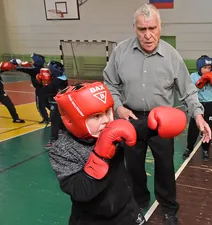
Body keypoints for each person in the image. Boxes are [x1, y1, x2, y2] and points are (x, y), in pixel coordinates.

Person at [102, 3, 212, 225]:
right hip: (130, 118)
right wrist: (119, 107)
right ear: (134, 28)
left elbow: (188, 92)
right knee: (133, 168)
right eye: (142, 30)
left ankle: (169, 208)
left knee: (164, 167)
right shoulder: (121, 52)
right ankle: (139, 203)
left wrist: (198, 116)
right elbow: (109, 83)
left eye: (152, 28)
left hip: (163, 121)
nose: (148, 35)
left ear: (161, 26)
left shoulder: (172, 56)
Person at [48, 82, 146, 225]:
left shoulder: (113, 127)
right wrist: (101, 155)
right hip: (92, 219)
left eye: (107, 112)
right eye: (96, 116)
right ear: (72, 119)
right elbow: (81, 191)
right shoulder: (63, 150)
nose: (106, 120)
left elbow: (139, 128)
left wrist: (155, 124)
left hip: (127, 209)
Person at [1, 53, 50, 124]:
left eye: (32, 60)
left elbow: (25, 69)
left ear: (36, 61)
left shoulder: (34, 69)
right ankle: (56, 115)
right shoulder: (41, 68)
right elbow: (30, 68)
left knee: (40, 105)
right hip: (46, 89)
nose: (31, 61)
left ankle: (46, 119)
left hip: (40, 89)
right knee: (46, 103)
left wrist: (14, 66)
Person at [43, 60, 68, 149]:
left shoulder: (55, 81)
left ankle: (53, 139)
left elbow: (48, 91)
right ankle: (65, 132)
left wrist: (45, 84)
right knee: (61, 118)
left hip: (55, 103)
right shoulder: (63, 78)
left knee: (54, 120)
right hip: (62, 102)